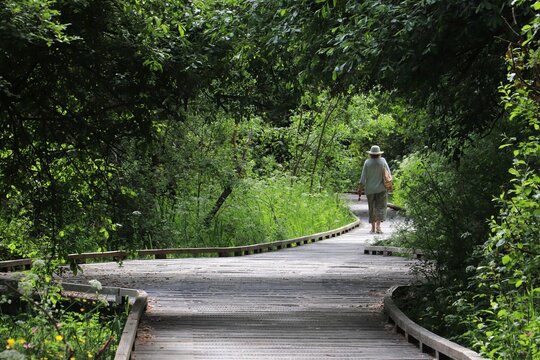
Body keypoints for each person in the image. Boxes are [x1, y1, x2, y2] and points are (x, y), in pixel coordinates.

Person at [357, 145, 391, 234]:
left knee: (372, 208)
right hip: (381, 189)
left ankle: (372, 228)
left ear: (370, 154)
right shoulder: (383, 161)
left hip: (370, 189)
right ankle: (378, 227)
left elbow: (363, 177)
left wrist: (360, 188)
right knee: (380, 207)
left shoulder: (367, 162)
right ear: (379, 153)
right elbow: (389, 175)